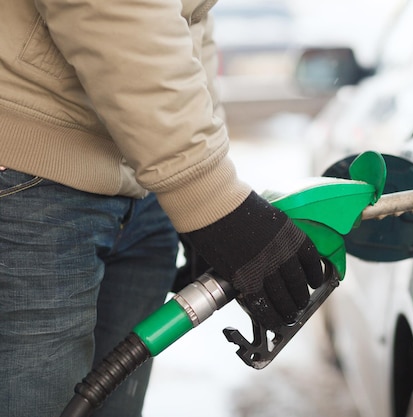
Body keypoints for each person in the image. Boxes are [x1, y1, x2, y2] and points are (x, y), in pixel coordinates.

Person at [0, 1, 324, 416]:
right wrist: (209, 196)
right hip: (33, 179)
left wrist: (192, 193)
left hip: (142, 188)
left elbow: (191, 21)